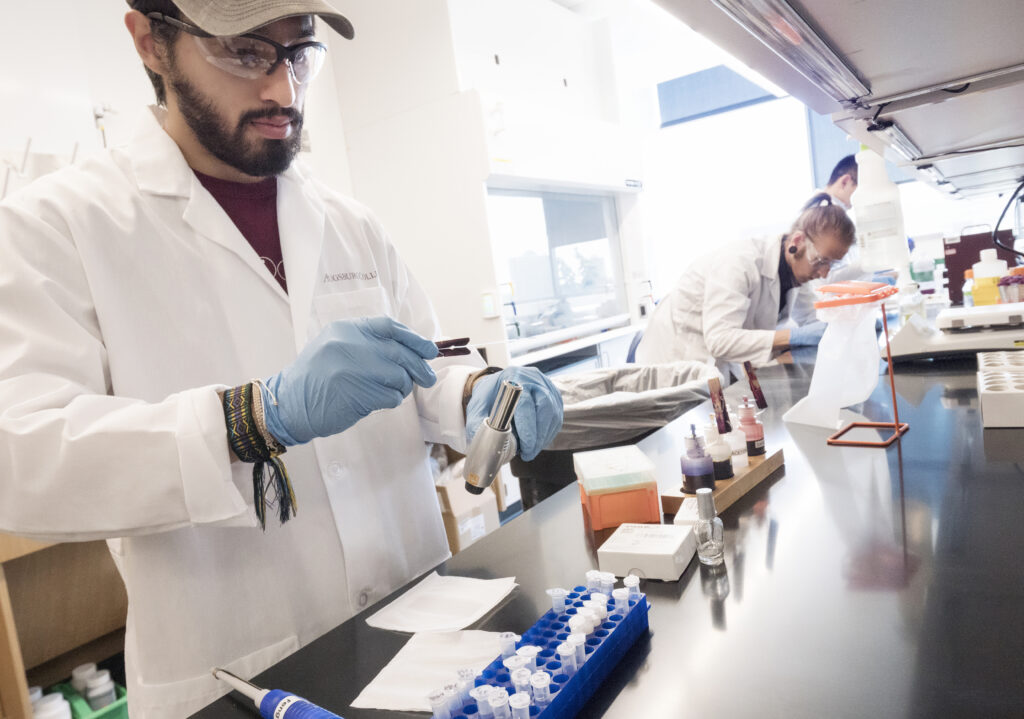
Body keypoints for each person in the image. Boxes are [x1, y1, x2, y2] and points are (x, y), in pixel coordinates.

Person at [0, 2, 563, 716]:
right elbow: (24, 461)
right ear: (150, 42)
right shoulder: (56, 228)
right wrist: (250, 418)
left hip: (423, 639)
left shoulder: (348, 222)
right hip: (239, 674)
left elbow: (425, 366)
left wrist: (479, 394)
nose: (283, 91)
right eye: (243, 52)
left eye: (299, 53)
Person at [634, 203, 856, 376]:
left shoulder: (795, 271)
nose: (824, 273)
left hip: (712, 366)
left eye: (832, 265)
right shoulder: (740, 263)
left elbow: (810, 319)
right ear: (797, 241)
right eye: (820, 261)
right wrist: (793, 336)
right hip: (675, 360)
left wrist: (846, 322)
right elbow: (720, 340)